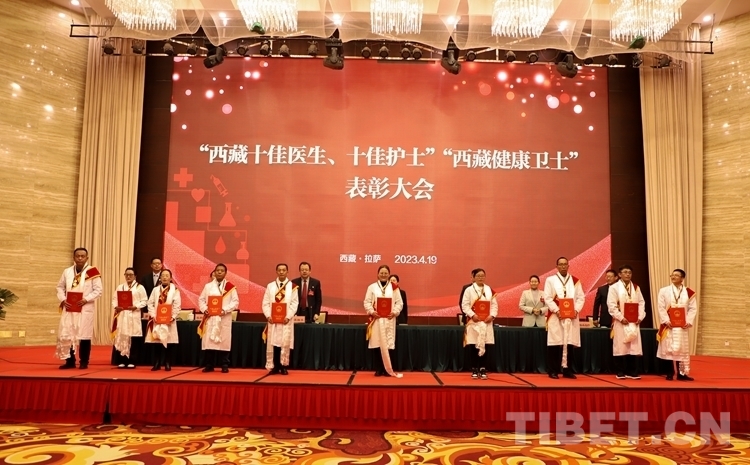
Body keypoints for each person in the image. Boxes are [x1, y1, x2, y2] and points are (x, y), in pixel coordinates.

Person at [55, 247, 103, 369]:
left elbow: (98, 290)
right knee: (67, 334)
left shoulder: (92, 271)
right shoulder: (67, 272)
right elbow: (60, 287)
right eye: (78, 256)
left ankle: (84, 361)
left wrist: (86, 299)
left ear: (87, 258)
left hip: (84, 308)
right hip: (69, 308)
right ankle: (69, 361)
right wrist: (63, 299)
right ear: (74, 258)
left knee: (84, 336)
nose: (80, 258)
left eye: (82, 256)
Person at [543, 257, 585, 379]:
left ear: (568, 266)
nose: (563, 266)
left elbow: (581, 298)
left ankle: (567, 371)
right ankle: (553, 370)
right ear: (556, 266)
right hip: (556, 316)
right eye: (560, 264)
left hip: (571, 317)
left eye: (565, 264)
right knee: (555, 343)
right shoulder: (550, 280)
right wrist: (556, 310)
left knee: (569, 343)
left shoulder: (575, 281)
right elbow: (547, 298)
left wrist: (576, 310)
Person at [657, 268, 697, 381]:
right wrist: (666, 320)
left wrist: (688, 321)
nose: (673, 277)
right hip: (669, 325)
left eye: (676, 275)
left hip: (681, 326)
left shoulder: (689, 292)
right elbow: (661, 307)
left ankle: (681, 374)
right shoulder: (664, 291)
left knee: (681, 348)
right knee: (668, 348)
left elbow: (692, 308)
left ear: (682, 278)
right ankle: (669, 373)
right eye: (672, 275)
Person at [198, 263, 239, 373]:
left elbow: (235, 302)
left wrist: (224, 310)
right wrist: (205, 309)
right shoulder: (208, 286)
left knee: (224, 342)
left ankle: (224, 364)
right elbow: (201, 300)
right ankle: (209, 365)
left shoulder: (231, 287)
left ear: (225, 273)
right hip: (210, 317)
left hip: (223, 317)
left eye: (222, 270)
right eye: (217, 270)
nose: (219, 272)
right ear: (214, 272)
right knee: (209, 341)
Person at [606, 265, 646, 379]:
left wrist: (640, 317)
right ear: (619, 274)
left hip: (633, 321)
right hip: (621, 321)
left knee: (633, 346)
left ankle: (632, 371)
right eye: (625, 272)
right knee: (620, 346)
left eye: (629, 272)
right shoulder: (614, 287)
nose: (628, 274)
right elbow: (611, 305)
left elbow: (641, 303)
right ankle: (620, 371)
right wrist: (620, 317)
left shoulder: (636, 287)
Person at [364, 265, 404, 377]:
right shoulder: (372, 287)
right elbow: (367, 302)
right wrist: (372, 312)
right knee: (377, 344)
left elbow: (399, 303)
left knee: (388, 344)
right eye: (381, 273)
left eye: (386, 273)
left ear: (389, 274)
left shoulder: (394, 288)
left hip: (389, 319)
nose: (383, 275)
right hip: (376, 319)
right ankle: (379, 369)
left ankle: (387, 370)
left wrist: (394, 312)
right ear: (378, 274)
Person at [261, 263, 299, 375]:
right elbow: (265, 303)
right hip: (273, 320)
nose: (281, 272)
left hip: (286, 321)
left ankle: (283, 366)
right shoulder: (270, 286)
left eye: (284, 270)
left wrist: (288, 317)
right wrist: (268, 316)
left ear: (287, 272)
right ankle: (275, 366)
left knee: (284, 342)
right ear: (276, 272)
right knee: (273, 343)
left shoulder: (292, 287)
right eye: (279, 270)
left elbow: (294, 304)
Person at [461, 268, 498, 379]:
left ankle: (482, 368)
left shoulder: (489, 290)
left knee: (484, 344)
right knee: (473, 345)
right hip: (474, 321)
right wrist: (472, 315)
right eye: (478, 276)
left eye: (482, 275)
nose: (480, 277)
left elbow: (494, 305)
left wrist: (492, 316)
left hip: (486, 322)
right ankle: (474, 369)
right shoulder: (469, 290)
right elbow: (465, 305)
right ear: (473, 277)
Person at [111, 267, 148, 368]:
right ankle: (122, 359)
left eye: (131, 275)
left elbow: (144, 301)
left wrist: (136, 306)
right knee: (122, 337)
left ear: (135, 276)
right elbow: (114, 299)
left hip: (133, 315)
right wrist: (116, 306)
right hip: (123, 315)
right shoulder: (120, 287)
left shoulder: (140, 287)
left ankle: (132, 360)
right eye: (126, 274)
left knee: (133, 338)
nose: (128, 276)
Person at [145, 269, 181, 371]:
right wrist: (153, 316)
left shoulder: (175, 290)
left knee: (169, 343)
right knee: (157, 342)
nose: (165, 277)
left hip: (169, 320)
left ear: (170, 278)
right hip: (157, 319)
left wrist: (172, 317)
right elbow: (150, 303)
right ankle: (157, 363)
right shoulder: (155, 290)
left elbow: (177, 305)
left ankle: (167, 362)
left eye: (167, 275)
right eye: (163, 275)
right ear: (160, 278)